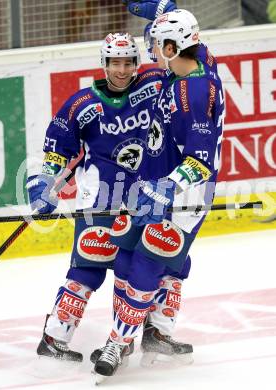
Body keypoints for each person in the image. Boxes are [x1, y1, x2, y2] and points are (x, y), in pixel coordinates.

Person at [26, 31, 177, 362]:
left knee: (149, 265)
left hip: (146, 193)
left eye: (127, 62)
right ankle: (54, 339)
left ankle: (152, 332)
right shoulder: (83, 104)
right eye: (114, 63)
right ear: (104, 64)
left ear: (138, 62)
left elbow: (189, 63)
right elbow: (58, 149)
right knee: (88, 268)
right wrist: (43, 183)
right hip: (100, 195)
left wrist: (170, 18)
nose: (121, 70)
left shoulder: (154, 83)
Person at [93, 8, 224, 378]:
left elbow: (199, 162)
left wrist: (165, 189)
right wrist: (165, 8)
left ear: (172, 47)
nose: (150, 49)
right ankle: (156, 334)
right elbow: (189, 37)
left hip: (184, 196)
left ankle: (119, 341)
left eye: (156, 43)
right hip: (155, 184)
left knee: (147, 263)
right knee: (137, 258)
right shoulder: (191, 62)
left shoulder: (195, 92)